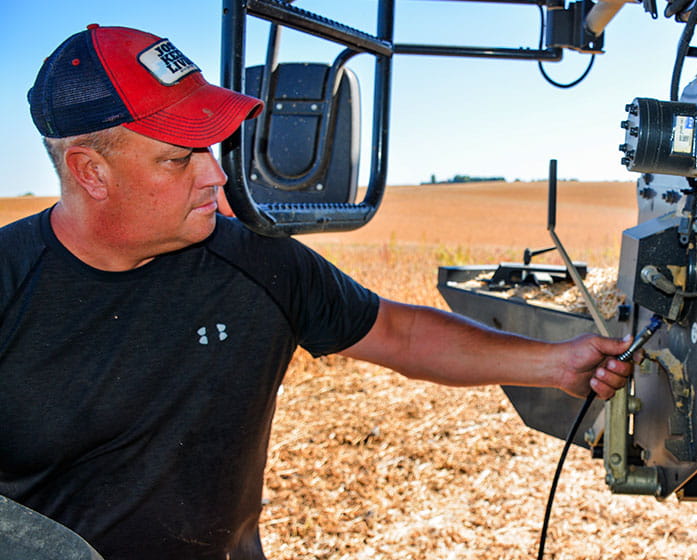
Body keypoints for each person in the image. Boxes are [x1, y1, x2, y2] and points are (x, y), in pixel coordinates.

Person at [0, 25, 633, 559]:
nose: (215, 173)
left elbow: (398, 333)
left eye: (213, 148)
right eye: (178, 158)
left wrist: (554, 363)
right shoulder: (9, 282)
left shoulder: (256, 261)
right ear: (90, 171)